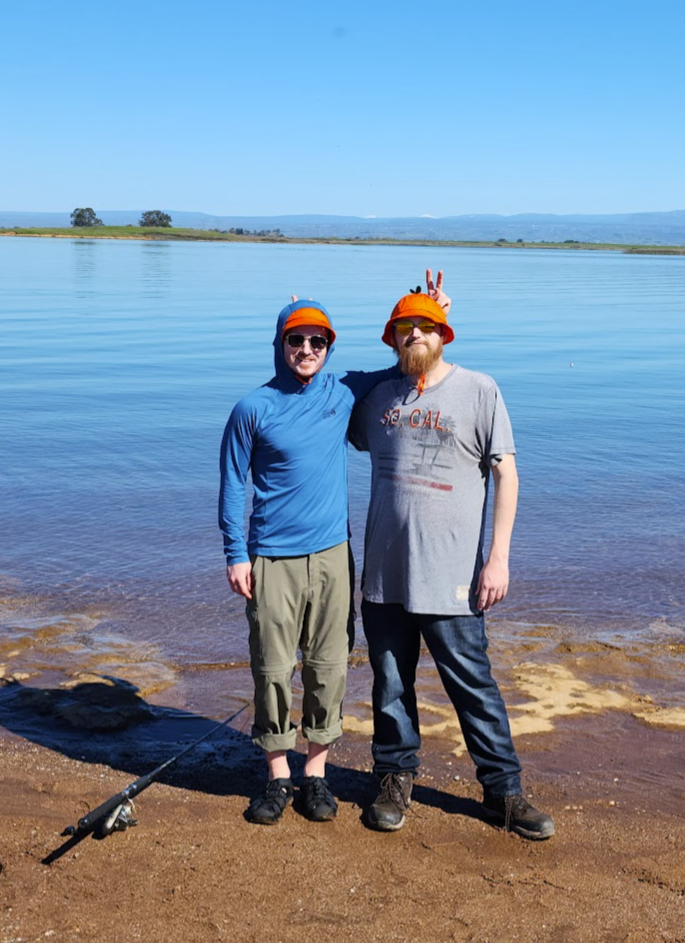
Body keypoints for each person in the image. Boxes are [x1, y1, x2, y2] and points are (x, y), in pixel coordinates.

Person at [218, 277, 447, 826]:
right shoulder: (252, 408)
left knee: (328, 667)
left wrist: (429, 319)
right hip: (271, 557)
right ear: (280, 343)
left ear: (329, 349)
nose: (306, 351)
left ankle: (315, 774)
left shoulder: (344, 392)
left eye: (317, 342)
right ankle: (277, 777)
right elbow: (231, 486)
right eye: (297, 341)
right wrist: (236, 553)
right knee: (272, 668)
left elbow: (408, 366)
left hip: (331, 557)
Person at [349, 292, 555, 840]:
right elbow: (320, 383)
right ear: (391, 338)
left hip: (454, 580)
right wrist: (295, 330)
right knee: (390, 687)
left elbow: (507, 476)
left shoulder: (479, 390)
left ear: (445, 334)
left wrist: (498, 558)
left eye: (426, 328)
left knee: (473, 687)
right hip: (384, 579)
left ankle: (504, 795)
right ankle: (394, 779)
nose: (415, 335)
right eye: (404, 328)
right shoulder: (376, 397)